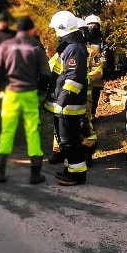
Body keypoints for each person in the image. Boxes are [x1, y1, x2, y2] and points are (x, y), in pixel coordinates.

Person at [0, 16, 51, 184]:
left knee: (7, 131)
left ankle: (0, 171)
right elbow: (45, 73)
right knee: (32, 131)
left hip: (10, 94)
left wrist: (3, 87)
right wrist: (40, 91)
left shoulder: (5, 46)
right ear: (31, 30)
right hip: (30, 93)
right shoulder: (35, 46)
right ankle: (35, 174)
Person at [44, 10, 89, 186]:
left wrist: (63, 101)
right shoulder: (68, 47)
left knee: (70, 140)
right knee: (64, 140)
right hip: (62, 103)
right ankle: (70, 168)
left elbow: (73, 79)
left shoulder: (74, 49)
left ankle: (77, 175)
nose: (55, 32)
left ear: (63, 28)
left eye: (56, 29)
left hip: (68, 104)